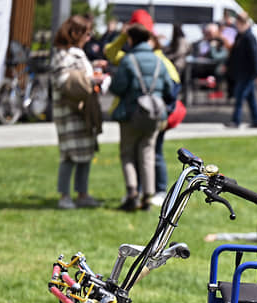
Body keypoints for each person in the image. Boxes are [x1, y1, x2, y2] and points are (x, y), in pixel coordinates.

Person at [105, 11, 182, 207]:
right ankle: (148, 195)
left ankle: (132, 192)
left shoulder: (128, 61)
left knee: (128, 154)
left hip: (131, 113)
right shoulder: (159, 60)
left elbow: (116, 87)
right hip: (154, 114)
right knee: (148, 153)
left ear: (130, 39)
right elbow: (168, 88)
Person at [51, 14, 105, 209]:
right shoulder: (62, 54)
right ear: (75, 33)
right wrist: (89, 80)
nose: (89, 37)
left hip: (83, 112)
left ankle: (82, 194)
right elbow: (62, 81)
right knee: (69, 155)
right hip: (70, 112)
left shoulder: (76, 53)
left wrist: (93, 71)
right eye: (87, 33)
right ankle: (64, 196)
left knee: (86, 153)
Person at [224, 14, 257, 129]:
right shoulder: (240, 36)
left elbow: (254, 57)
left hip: (248, 73)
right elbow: (234, 54)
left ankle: (235, 121)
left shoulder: (249, 37)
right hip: (241, 72)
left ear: (243, 23)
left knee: (239, 96)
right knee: (251, 99)